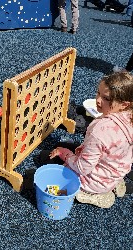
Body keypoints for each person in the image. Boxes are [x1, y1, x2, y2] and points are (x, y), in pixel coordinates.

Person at [40, 72, 133, 208]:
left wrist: (63, 153)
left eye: (106, 98)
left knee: (46, 159)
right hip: (115, 170)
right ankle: (115, 183)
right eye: (98, 93)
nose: (98, 100)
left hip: (96, 181)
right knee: (63, 146)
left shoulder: (100, 131)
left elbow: (82, 168)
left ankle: (91, 194)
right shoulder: (130, 116)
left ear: (124, 104)